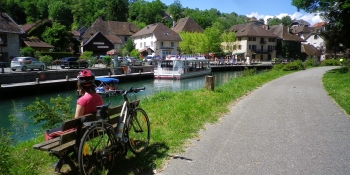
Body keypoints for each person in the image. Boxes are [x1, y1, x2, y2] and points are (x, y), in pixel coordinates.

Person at [46, 69, 103, 173]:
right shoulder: (99, 97)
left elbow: (76, 120)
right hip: (94, 129)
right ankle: (71, 155)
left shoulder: (82, 100)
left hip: (80, 132)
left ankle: (63, 157)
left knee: (48, 133)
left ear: (80, 85)